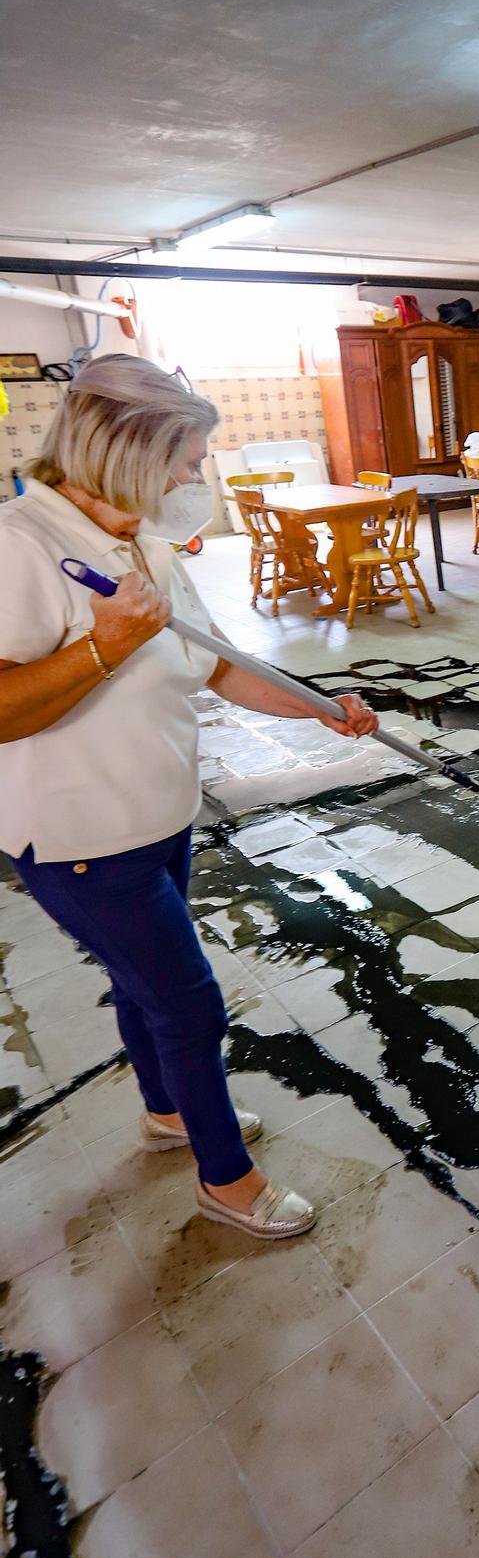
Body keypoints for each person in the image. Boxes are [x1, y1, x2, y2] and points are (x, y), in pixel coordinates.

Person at [0, 354, 379, 1239]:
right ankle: (227, 1180)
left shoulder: (145, 543)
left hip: (158, 815)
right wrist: (103, 645)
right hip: (81, 833)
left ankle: (168, 1112)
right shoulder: (19, 547)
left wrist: (321, 710)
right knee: (188, 1003)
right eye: (181, 458)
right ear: (126, 451)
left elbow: (215, 665)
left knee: (144, 989)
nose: (189, 477)